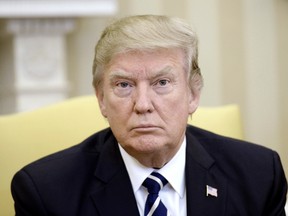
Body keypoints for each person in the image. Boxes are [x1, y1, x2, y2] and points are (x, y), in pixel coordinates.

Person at [11, 15, 287, 216]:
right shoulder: (46, 192)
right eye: (124, 85)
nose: (143, 104)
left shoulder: (259, 175)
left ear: (193, 95)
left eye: (162, 83)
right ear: (101, 99)